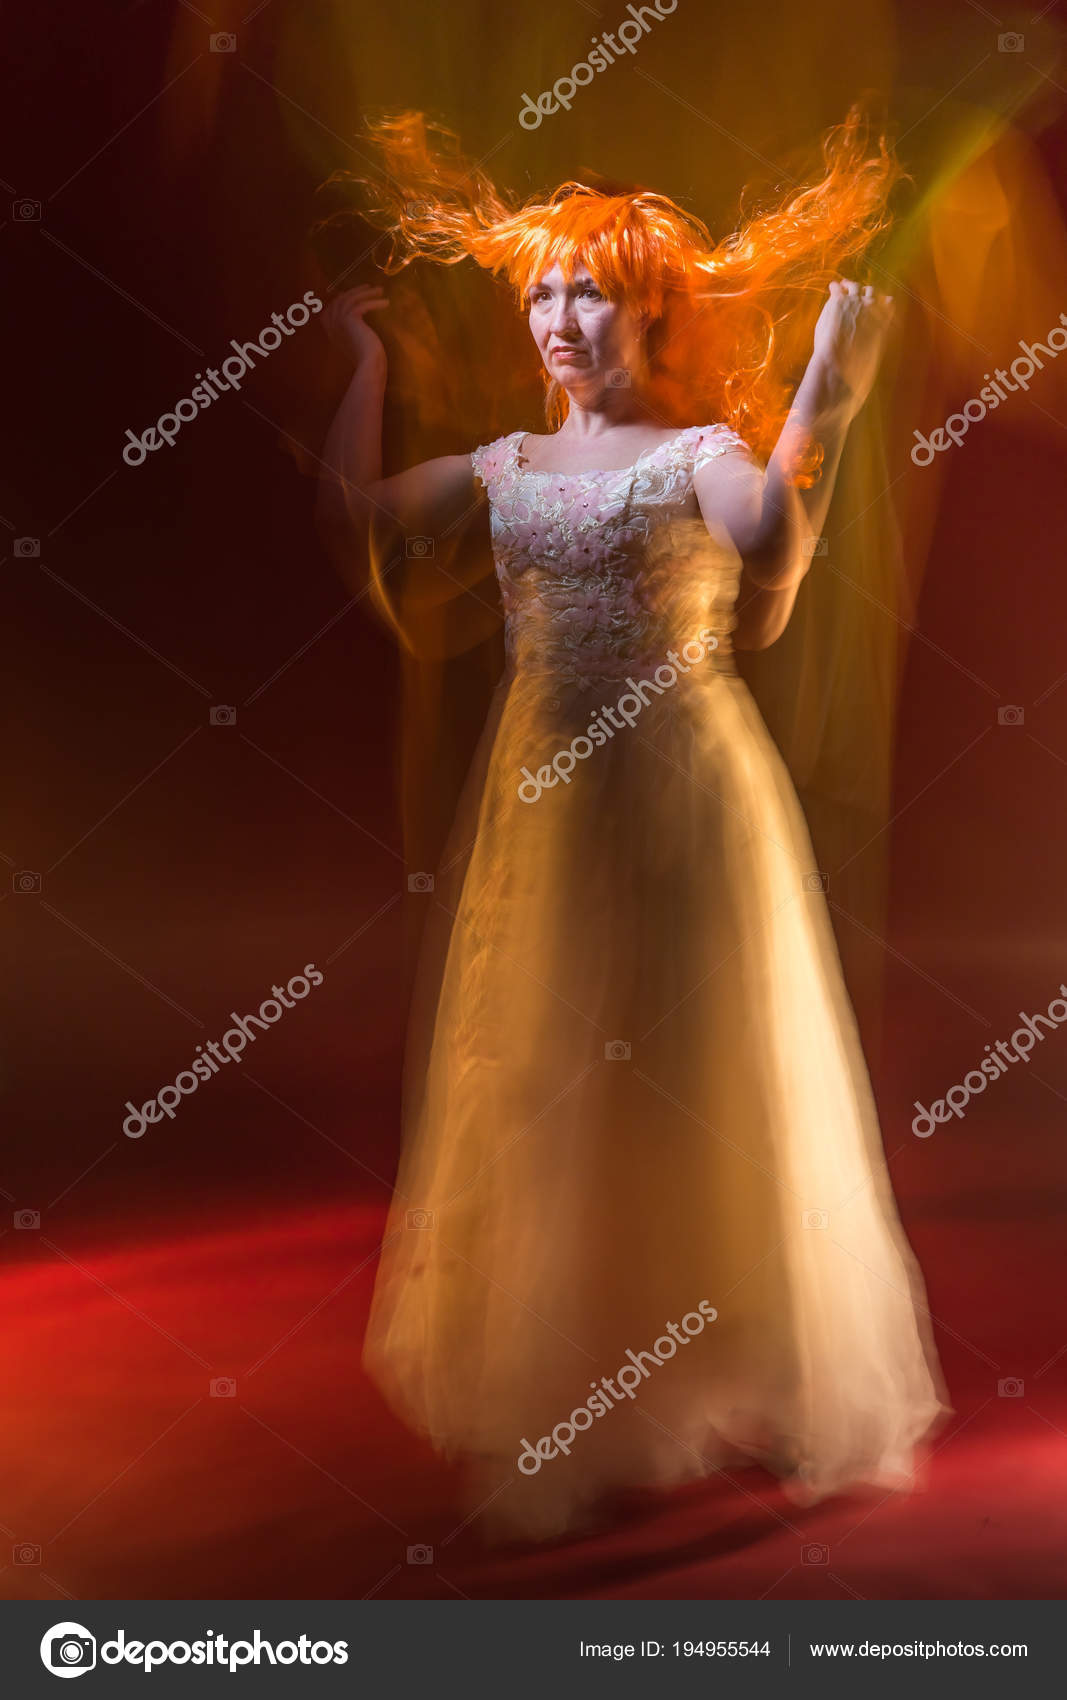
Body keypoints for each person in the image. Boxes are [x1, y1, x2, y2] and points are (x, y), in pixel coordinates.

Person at [315, 109, 948, 1543]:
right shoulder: (505, 472)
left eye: (587, 288)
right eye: (540, 291)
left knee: (702, 1060)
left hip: (685, 791)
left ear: (650, 306)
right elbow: (354, 514)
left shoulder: (703, 457)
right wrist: (371, 369)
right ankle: (589, 1381)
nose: (556, 316)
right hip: (544, 799)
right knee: (553, 1081)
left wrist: (826, 412)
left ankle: (735, 1357)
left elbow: (772, 553)